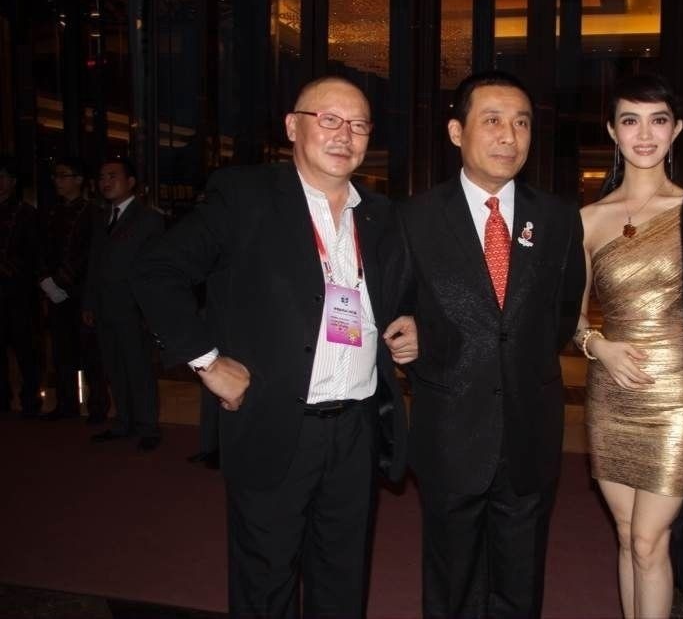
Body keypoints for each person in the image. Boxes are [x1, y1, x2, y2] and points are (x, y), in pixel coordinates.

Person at [131, 76, 417, 618]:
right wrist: (207, 361)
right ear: (292, 126)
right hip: (275, 420)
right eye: (328, 120)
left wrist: (412, 322)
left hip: (357, 427)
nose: (345, 135)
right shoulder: (245, 196)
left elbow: (399, 294)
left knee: (343, 579)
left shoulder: (380, 215)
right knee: (266, 582)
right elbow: (156, 271)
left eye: (358, 125)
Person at [399, 70, 586, 618]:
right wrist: (416, 335)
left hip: (530, 426)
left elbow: (560, 315)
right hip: (449, 428)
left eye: (522, 123)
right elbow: (394, 308)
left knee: (520, 577)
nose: (510, 136)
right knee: (451, 577)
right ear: (456, 132)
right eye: (493, 120)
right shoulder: (412, 218)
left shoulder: (557, 219)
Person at [575, 74, 683, 618]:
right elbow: (572, 318)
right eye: (630, 121)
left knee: (650, 540)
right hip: (610, 398)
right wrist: (598, 345)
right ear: (613, 131)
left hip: (678, 399)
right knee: (627, 534)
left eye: (658, 121)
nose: (645, 134)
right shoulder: (588, 220)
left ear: (676, 130)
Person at [84, 158, 164, 450]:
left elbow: (154, 268)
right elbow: (93, 264)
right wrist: (89, 303)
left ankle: (148, 427)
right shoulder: (101, 217)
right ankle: (123, 421)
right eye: (102, 177)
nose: (105, 182)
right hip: (104, 306)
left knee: (138, 368)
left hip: (132, 308)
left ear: (131, 182)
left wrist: (148, 309)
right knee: (114, 367)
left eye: (112, 176)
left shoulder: (148, 219)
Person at [39, 157, 98, 421]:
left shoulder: (93, 212)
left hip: (81, 291)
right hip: (55, 291)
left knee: (89, 351)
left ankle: (97, 407)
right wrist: (46, 280)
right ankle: (66, 404)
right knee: (61, 350)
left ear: (79, 180)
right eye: (56, 176)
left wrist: (64, 279)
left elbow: (92, 253)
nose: (58, 181)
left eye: (64, 176)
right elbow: (41, 248)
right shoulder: (51, 213)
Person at [0, 156, 42, 417]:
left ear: (13, 182)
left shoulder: (26, 213)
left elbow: (35, 254)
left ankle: (30, 401)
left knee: (25, 349)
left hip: (19, 293)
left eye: (2, 177)